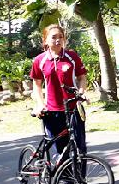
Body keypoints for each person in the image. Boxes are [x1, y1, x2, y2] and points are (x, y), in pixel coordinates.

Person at [30, 24, 88, 160]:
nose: (58, 40)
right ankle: (63, 181)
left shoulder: (72, 57)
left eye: (60, 37)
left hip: (74, 109)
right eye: (54, 37)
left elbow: (81, 78)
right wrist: (40, 104)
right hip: (52, 112)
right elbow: (37, 84)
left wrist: (81, 92)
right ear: (45, 40)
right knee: (60, 149)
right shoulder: (40, 60)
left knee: (79, 147)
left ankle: (80, 180)